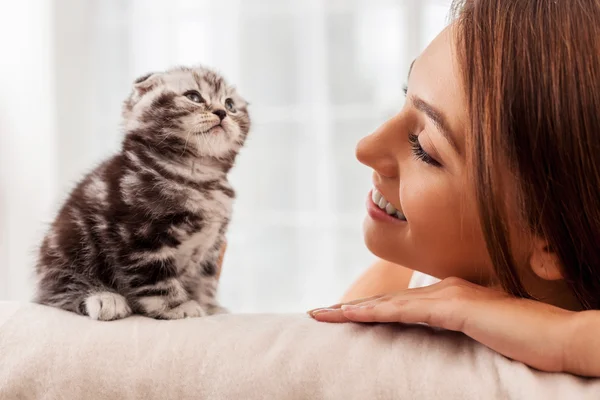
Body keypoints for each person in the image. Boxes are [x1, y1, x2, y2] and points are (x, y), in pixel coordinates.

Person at [306, 0, 600, 378]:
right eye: (404, 95)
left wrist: (564, 338)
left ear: (553, 243)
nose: (365, 148)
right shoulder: (397, 282)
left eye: (424, 149)